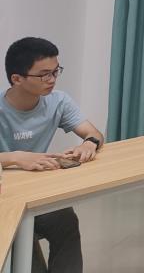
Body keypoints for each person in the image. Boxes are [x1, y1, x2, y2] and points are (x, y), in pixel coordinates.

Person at [0, 37, 105, 273]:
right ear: (17, 79)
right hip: (4, 198)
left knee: (66, 221)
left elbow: (94, 133)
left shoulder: (58, 101)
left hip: (36, 193)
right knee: (21, 241)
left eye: (56, 71)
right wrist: (15, 157)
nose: (52, 80)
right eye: (44, 74)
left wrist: (89, 144)